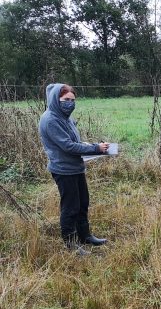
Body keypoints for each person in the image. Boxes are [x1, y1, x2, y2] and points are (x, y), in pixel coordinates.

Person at [39, 83, 109, 255]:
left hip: (76, 167)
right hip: (63, 170)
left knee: (82, 203)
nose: (70, 103)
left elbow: (74, 142)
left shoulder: (65, 117)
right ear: (56, 100)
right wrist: (95, 148)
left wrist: (87, 145)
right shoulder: (50, 120)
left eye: (72, 100)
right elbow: (68, 146)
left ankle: (85, 236)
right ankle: (71, 244)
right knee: (70, 207)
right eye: (65, 100)